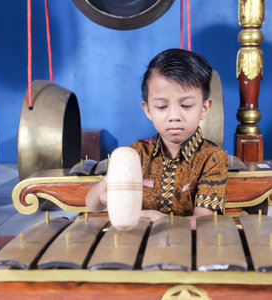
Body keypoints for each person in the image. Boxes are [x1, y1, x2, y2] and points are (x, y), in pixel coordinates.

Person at [86, 48, 228, 229]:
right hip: (141, 243)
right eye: (162, 107)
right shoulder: (136, 153)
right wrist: (102, 191)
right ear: (148, 110)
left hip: (191, 247)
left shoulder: (212, 157)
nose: (174, 116)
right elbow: (91, 204)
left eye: (186, 105)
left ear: (204, 108)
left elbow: (206, 221)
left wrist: (163, 221)